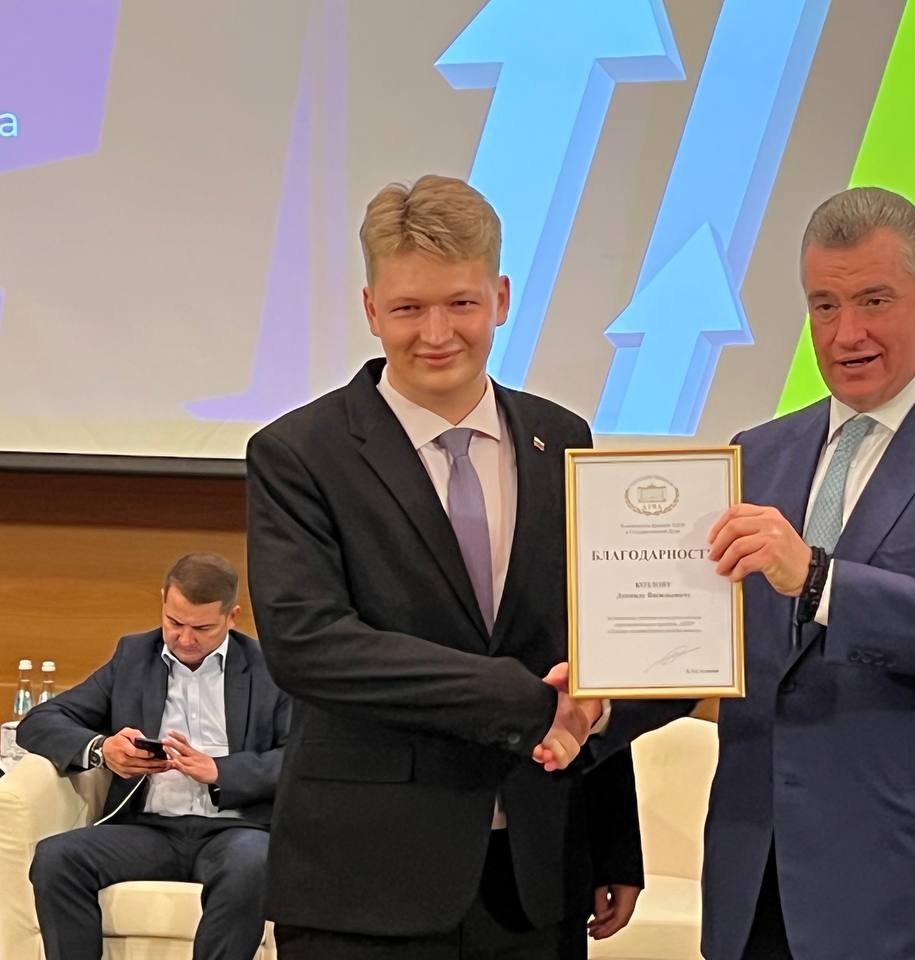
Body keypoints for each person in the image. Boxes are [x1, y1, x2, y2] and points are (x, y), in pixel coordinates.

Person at [594, 186, 915, 959]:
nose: (846, 333)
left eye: (873, 301)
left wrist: (821, 580)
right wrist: (593, 707)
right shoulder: (756, 454)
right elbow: (708, 646)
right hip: (761, 889)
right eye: (823, 306)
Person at [245, 174, 643, 959]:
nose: (436, 333)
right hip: (364, 884)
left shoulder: (563, 439)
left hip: (536, 878)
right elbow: (309, 645)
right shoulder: (299, 454)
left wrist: (612, 840)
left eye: (461, 303)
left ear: (501, 297)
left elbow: (589, 637)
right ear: (370, 310)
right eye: (408, 308)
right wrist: (519, 699)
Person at [17, 553, 290, 960]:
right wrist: (103, 750)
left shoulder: (269, 668)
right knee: (56, 858)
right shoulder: (134, 657)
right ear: (163, 600)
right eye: (174, 623)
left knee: (253, 863)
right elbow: (40, 721)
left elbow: (299, 757)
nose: (185, 639)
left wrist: (219, 771)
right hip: (149, 830)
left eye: (202, 628)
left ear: (232, 617)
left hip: (235, 831)